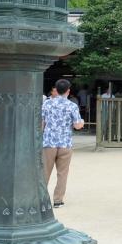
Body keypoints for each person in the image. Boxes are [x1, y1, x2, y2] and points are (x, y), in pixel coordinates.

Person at [41, 79, 84, 207]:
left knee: (44, 172)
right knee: (62, 173)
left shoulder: (46, 104)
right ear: (68, 91)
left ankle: (42, 199)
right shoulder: (72, 106)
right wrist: (82, 122)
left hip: (49, 142)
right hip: (65, 143)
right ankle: (58, 200)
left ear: (55, 90)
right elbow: (77, 125)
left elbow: (41, 124)